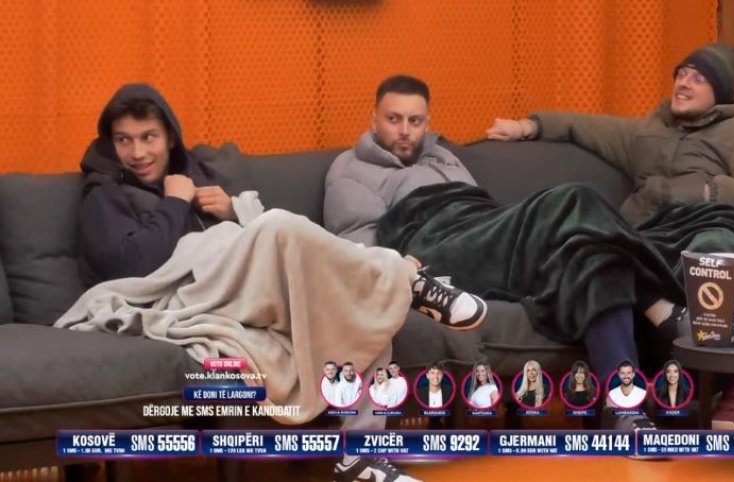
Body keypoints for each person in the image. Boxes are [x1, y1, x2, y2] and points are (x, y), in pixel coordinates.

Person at [59, 83, 497, 482]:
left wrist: (231, 209)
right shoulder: (104, 194)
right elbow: (134, 265)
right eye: (124, 140)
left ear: (169, 138)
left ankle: (360, 456)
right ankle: (404, 276)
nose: (137, 152)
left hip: (246, 288)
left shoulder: (197, 176)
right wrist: (175, 203)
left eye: (148, 137)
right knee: (279, 226)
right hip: (189, 293)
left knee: (360, 307)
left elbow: (248, 242)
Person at [325, 74, 688, 431]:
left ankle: (624, 409)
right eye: (394, 119)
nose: (405, 130)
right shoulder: (352, 168)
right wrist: (400, 273)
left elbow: (479, 210)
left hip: (482, 230)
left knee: (595, 260)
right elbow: (357, 249)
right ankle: (658, 303)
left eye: (415, 121)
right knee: (575, 197)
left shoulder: (442, 157)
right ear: (374, 120)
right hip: (429, 243)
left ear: (427, 123)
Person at [487, 43, 734, 431]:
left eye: (698, 78)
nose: (683, 83)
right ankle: (626, 405)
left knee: (714, 251)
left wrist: (707, 189)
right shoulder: (651, 128)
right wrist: (530, 126)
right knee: (597, 255)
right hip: (647, 239)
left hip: (708, 225)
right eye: (681, 74)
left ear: (722, 91)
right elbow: (587, 127)